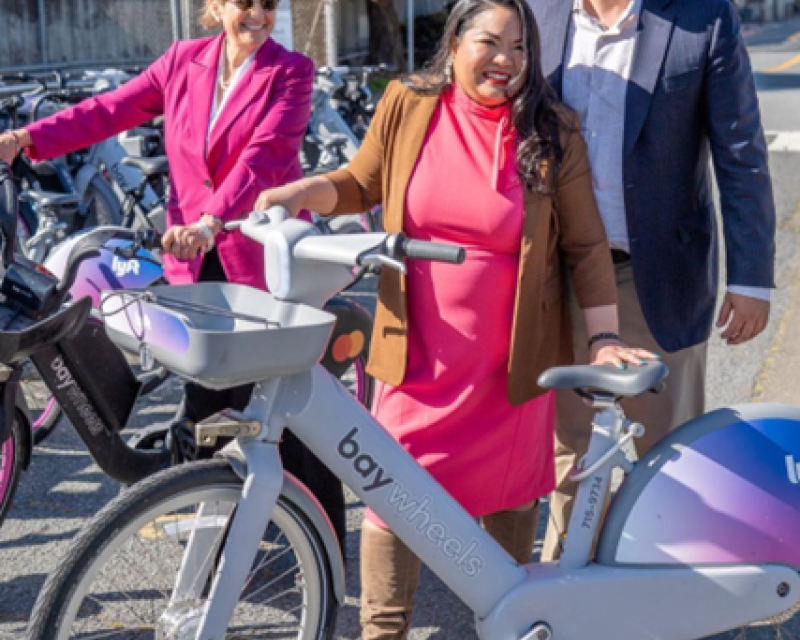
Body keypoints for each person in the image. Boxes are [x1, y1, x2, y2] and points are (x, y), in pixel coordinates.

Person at [254, 0, 656, 636]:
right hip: (416, 363)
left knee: (506, 543)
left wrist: (604, 337)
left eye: (521, 47)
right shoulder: (409, 104)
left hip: (509, 371)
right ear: (454, 40)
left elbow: (585, 246)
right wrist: (305, 193)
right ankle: (383, 630)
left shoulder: (552, 130)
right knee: (391, 506)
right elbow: (362, 183)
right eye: (491, 42)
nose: (507, 60)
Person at [0, 0, 347, 546]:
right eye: (244, 4)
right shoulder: (183, 60)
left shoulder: (290, 71)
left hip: (258, 258)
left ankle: (322, 535)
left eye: (269, 5)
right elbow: (109, 111)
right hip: (194, 259)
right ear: (215, 6)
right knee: (208, 400)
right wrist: (28, 139)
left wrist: (214, 219)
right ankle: (218, 540)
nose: (258, 15)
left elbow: (264, 156)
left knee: (285, 404)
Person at [527, 0, 777, 560]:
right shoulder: (535, 13)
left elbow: (740, 149)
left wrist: (751, 277)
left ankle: (669, 592)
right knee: (570, 453)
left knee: (670, 460)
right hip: (557, 274)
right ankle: (570, 595)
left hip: (657, 275)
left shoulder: (703, 17)